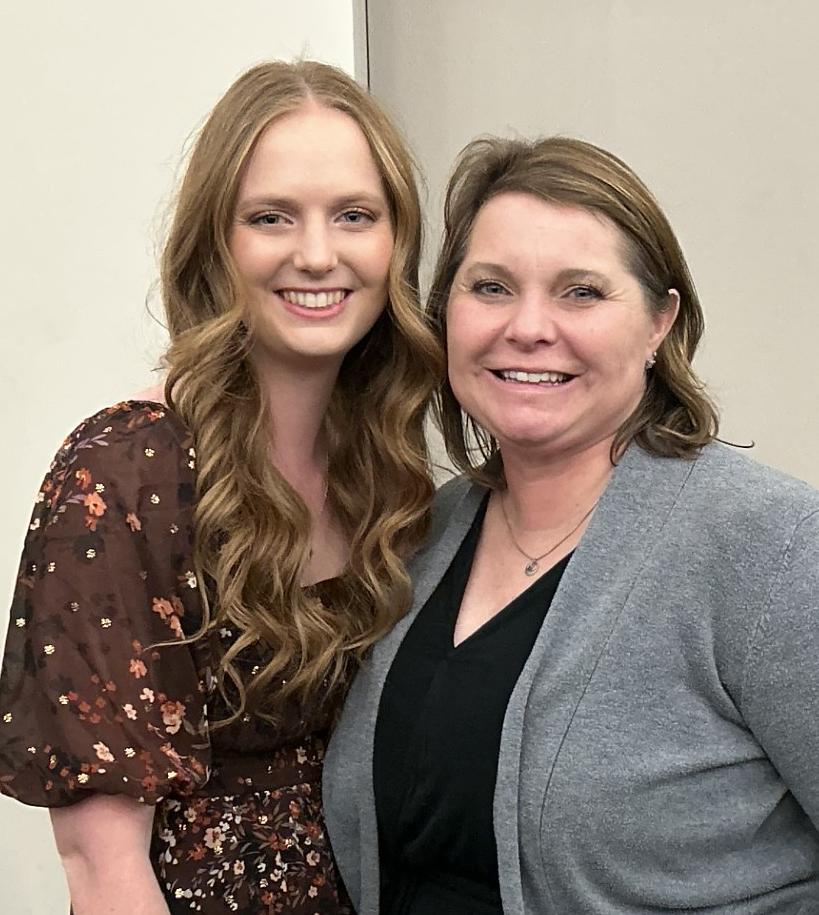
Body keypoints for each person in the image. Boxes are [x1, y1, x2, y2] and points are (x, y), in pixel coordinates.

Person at [323, 136, 819, 914]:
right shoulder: (417, 537)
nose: (527, 327)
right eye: (489, 287)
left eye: (580, 292)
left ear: (659, 323)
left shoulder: (770, 546)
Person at [0, 60, 441, 915]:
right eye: (271, 217)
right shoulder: (124, 468)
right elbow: (101, 867)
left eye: (354, 215)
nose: (317, 253)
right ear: (217, 241)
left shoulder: (384, 467)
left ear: (396, 241)